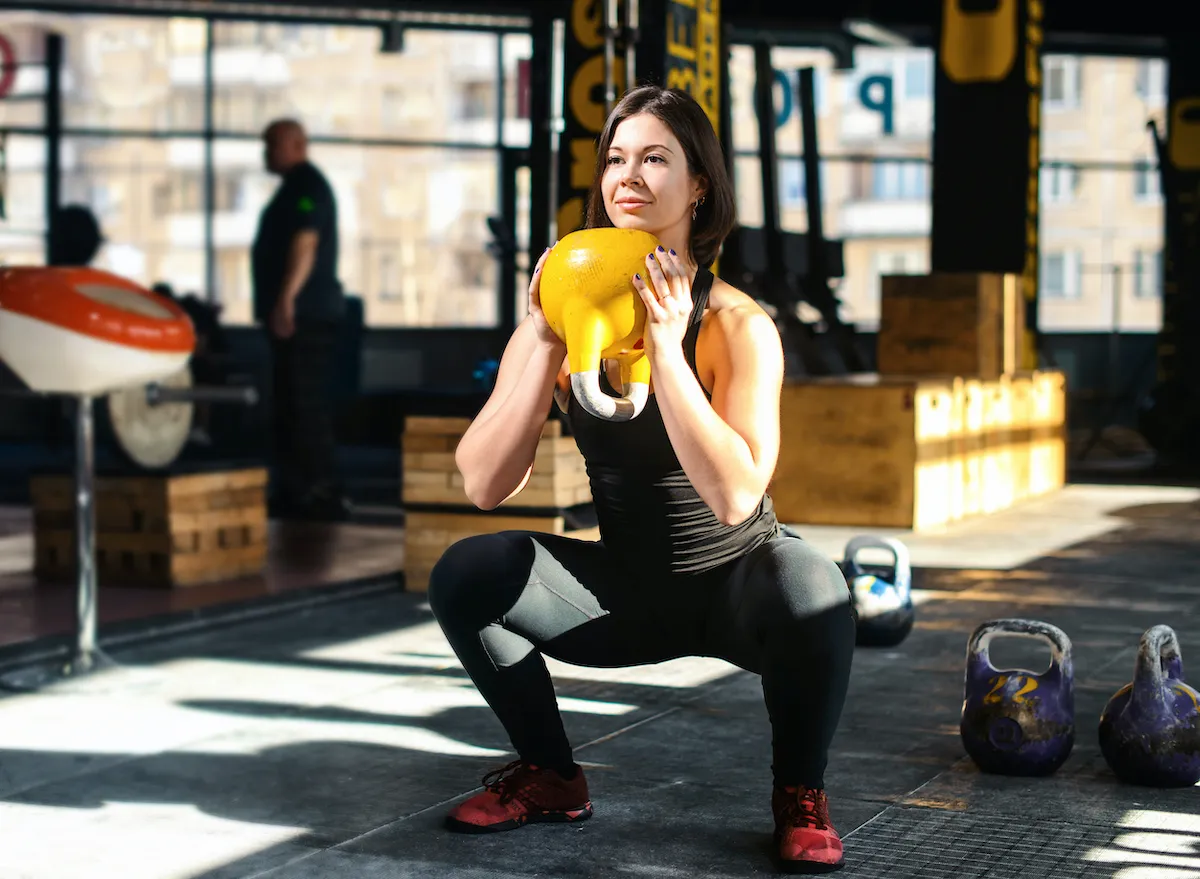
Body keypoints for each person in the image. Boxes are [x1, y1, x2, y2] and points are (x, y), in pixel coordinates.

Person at [427, 85, 856, 874]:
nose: (628, 174)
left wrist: (666, 348)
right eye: (617, 159)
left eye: (656, 157)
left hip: (736, 587)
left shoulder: (736, 324)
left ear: (699, 185)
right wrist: (543, 335)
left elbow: (735, 496)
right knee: (468, 572)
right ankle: (551, 776)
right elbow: (484, 481)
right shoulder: (570, 309)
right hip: (623, 590)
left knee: (814, 586)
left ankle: (800, 793)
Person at [251, 118, 350, 521]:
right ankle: (296, 490)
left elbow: (305, 243)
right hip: (299, 315)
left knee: (305, 404)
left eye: (271, 145)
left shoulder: (308, 187)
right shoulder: (295, 188)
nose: (265, 154)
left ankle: (320, 491)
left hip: (305, 316)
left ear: (295, 144)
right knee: (290, 404)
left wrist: (286, 301)